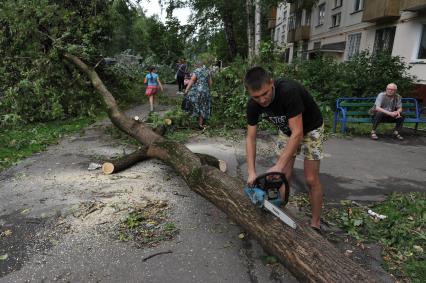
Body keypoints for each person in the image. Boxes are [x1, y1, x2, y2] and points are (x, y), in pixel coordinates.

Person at [244, 66, 325, 231]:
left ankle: (315, 223)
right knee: (281, 176)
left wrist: (279, 165)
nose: (262, 100)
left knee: (311, 179)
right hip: (287, 130)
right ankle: (280, 210)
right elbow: (251, 138)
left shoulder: (289, 91)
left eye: (265, 93)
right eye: (256, 97)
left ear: (271, 83)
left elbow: (298, 133)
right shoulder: (253, 104)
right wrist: (251, 172)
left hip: (311, 128)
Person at [184, 61, 212, 130]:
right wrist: (208, 90)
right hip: (205, 91)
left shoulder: (197, 71)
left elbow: (192, 80)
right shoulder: (206, 71)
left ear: (197, 65)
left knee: (191, 102)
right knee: (203, 106)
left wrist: (187, 89)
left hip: (197, 91)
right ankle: (200, 124)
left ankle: (189, 121)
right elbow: (210, 82)